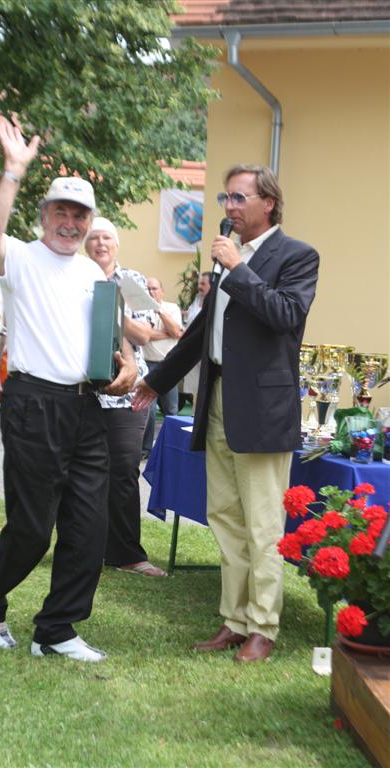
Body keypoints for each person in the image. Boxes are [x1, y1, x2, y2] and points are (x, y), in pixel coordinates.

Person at [0, 115, 137, 663]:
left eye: (78, 213)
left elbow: (115, 338)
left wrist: (129, 365)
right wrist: (13, 170)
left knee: (88, 524)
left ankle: (56, 630)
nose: (69, 221)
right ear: (43, 217)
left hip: (88, 407)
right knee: (34, 527)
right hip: (33, 402)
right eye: (60, 210)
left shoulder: (95, 274)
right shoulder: (21, 257)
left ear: (88, 223)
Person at [133, 164, 319, 662]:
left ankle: (264, 626)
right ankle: (235, 620)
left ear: (269, 203)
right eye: (225, 199)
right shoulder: (224, 260)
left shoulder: (296, 256)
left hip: (262, 409)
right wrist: (157, 381)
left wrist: (238, 269)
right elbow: (200, 335)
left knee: (261, 523)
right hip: (215, 404)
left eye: (239, 198)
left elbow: (285, 315)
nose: (229, 208)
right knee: (225, 518)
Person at [84, 217, 167, 578]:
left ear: (116, 245)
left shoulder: (130, 280)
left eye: (107, 238)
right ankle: (86, 547)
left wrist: (109, 305)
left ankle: (128, 553)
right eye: (94, 238)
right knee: (83, 472)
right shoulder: (72, 276)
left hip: (126, 391)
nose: (100, 243)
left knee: (122, 471)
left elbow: (146, 334)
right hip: (81, 388)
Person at [141, 278, 183, 458]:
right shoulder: (141, 309)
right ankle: (146, 449)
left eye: (154, 288)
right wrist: (167, 333)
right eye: (148, 289)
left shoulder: (172, 308)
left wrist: (159, 311)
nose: (151, 292)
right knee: (148, 411)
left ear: (162, 291)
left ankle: (170, 449)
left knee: (171, 409)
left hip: (168, 365)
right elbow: (143, 336)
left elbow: (177, 332)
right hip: (147, 363)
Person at [182, 271, 211, 401]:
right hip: (192, 351)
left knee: (205, 386)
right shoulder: (196, 300)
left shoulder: (213, 303)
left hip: (206, 351)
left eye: (203, 284)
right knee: (195, 389)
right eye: (199, 283)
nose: (199, 287)